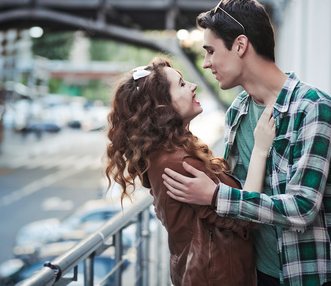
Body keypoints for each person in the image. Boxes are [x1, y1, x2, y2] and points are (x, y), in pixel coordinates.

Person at [162, 0, 331, 286]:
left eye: (211, 51)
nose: (206, 63)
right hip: (256, 273)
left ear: (240, 45)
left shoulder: (312, 108)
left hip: (310, 274)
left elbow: (302, 208)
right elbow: (241, 187)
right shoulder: (238, 110)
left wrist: (214, 196)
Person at [105, 57, 276, 285]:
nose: (193, 86)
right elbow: (247, 214)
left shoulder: (161, 153)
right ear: (161, 106)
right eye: (182, 84)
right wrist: (261, 148)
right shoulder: (179, 162)